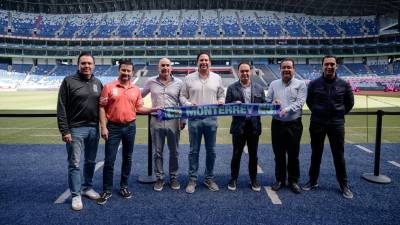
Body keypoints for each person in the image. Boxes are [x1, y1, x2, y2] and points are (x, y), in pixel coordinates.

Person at [96, 59, 154, 205]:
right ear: (119, 70)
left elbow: (140, 108)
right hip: (113, 127)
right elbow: (102, 107)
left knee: (127, 158)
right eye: (123, 70)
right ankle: (107, 190)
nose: (126, 73)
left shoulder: (135, 90)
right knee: (109, 160)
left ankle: (124, 187)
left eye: (129, 71)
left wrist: (154, 110)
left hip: (130, 127)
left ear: (132, 72)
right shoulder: (108, 87)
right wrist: (103, 127)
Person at [303, 55, 355, 199]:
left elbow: (349, 103)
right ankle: (312, 181)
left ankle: (344, 185)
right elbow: (309, 102)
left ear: (336, 66)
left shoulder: (344, 84)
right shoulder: (314, 84)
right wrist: (320, 113)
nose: (329, 67)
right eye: (327, 64)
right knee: (316, 154)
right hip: (317, 123)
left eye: (332, 64)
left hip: (336, 124)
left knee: (339, 156)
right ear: (322, 66)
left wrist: (337, 114)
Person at [57, 52, 103, 211]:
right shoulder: (68, 81)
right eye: (83, 63)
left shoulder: (98, 82)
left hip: (93, 129)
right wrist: (65, 130)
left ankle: (87, 187)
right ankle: (76, 195)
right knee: (74, 163)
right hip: (75, 129)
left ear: (94, 65)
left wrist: (103, 126)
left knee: (90, 161)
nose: (86, 66)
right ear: (78, 65)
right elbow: (61, 107)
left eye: (89, 63)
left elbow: (102, 107)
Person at [180, 52, 225, 194]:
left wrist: (221, 100)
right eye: (201, 60)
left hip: (211, 119)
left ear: (210, 63)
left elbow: (221, 94)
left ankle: (209, 178)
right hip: (194, 119)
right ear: (197, 62)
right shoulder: (188, 78)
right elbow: (182, 96)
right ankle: (192, 179)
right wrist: (188, 103)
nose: (204, 62)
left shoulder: (217, 78)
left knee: (211, 151)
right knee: (194, 151)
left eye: (206, 60)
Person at [141, 58, 185, 192]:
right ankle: (159, 178)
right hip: (156, 120)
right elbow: (139, 96)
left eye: (167, 65)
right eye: (162, 65)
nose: (165, 67)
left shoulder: (179, 83)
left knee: (174, 152)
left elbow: (183, 102)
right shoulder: (150, 82)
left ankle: (173, 177)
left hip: (173, 120)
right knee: (157, 152)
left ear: (171, 68)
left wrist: (184, 120)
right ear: (158, 67)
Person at [266, 58, 307, 194]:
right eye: (284, 67)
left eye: (289, 67)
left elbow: (300, 102)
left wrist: (287, 109)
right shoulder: (273, 84)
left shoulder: (300, 84)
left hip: (294, 124)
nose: (286, 70)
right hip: (277, 124)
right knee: (278, 154)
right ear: (280, 69)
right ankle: (280, 180)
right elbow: (267, 100)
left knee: (293, 154)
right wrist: (273, 102)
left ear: (294, 69)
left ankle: (293, 181)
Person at [225, 62, 266, 192]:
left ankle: (253, 179)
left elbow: (264, 107)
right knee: (236, 154)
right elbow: (226, 107)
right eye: (242, 71)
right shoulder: (231, 88)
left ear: (251, 71)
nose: (245, 73)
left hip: (254, 126)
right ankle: (233, 178)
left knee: (253, 155)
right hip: (238, 126)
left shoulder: (259, 88)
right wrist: (233, 104)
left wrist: (273, 104)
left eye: (247, 71)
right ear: (238, 72)